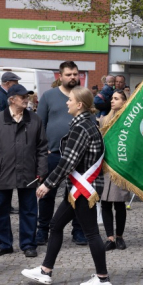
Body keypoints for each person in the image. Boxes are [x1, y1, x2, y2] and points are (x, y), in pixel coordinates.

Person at [22, 86, 112, 285]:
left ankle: (103, 278)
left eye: (70, 100)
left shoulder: (81, 128)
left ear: (80, 104)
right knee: (55, 226)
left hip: (83, 190)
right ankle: (45, 271)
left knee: (91, 234)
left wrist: (47, 184)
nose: (66, 102)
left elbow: (67, 162)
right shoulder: (86, 124)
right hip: (79, 188)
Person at [0, 84, 47, 258]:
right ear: (12, 99)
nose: (27, 100)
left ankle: (28, 244)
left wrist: (42, 170)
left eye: (27, 97)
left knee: (29, 209)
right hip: (3, 171)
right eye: (23, 97)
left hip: (28, 171)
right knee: (1, 209)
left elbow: (42, 147)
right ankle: (4, 244)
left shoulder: (35, 119)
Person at [35, 61, 87, 245]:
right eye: (69, 74)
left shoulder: (84, 95)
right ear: (60, 76)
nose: (73, 77)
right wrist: (42, 148)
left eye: (75, 74)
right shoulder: (49, 96)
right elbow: (39, 124)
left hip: (79, 155)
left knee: (77, 194)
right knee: (47, 193)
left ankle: (79, 231)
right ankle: (43, 230)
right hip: (54, 153)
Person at [99, 89, 129, 251]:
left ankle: (119, 236)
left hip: (120, 167)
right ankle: (109, 237)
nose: (112, 101)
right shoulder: (104, 120)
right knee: (105, 203)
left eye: (116, 99)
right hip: (106, 167)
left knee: (119, 203)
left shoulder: (128, 120)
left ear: (124, 101)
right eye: (112, 98)